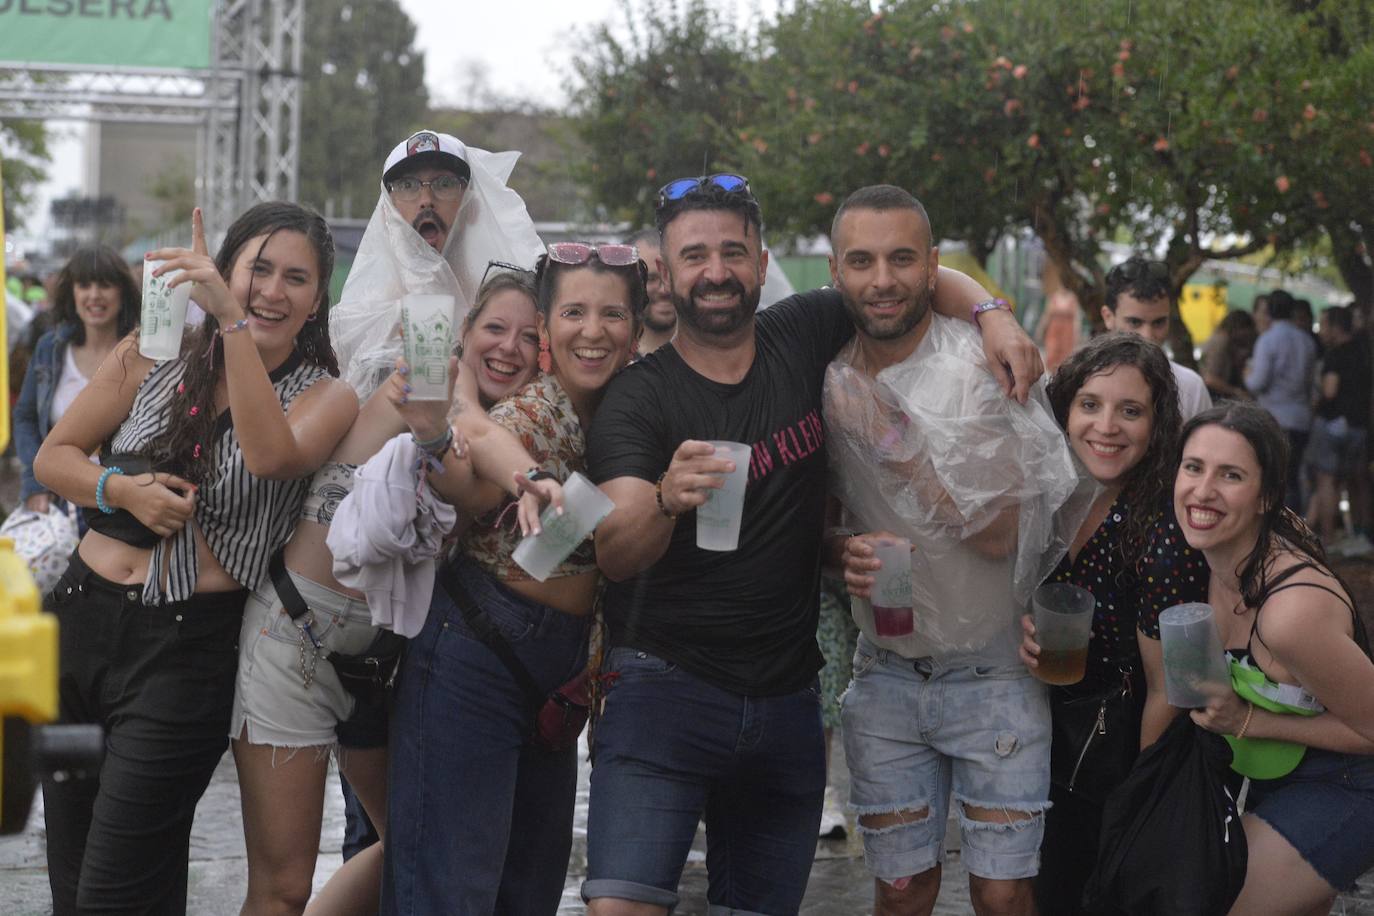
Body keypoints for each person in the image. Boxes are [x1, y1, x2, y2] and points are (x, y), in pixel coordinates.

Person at [582, 173, 1041, 916]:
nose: (717, 271)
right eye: (694, 256)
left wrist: (995, 317)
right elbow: (615, 551)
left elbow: (909, 280)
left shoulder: (802, 334)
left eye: (734, 251)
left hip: (785, 699)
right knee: (620, 909)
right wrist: (667, 498)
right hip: (667, 691)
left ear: (764, 265)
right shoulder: (640, 397)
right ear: (663, 275)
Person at [230, 132, 544, 916]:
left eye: (445, 183)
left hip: (410, 651)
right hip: (298, 637)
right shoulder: (363, 331)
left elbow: (486, 451)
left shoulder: (508, 325)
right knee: (284, 883)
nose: (428, 198)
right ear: (388, 203)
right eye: (410, 186)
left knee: (417, 853)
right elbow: (280, 452)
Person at [34, 203, 359, 915]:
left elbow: (271, 455)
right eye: (259, 270)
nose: (273, 290)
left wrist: (231, 326)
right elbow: (53, 456)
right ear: (227, 269)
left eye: (295, 278)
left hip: (184, 654)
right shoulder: (150, 350)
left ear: (316, 300)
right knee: (72, 873)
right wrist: (118, 488)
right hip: (80, 628)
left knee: (119, 890)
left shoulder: (327, 396)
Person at [826, 186, 1081, 916]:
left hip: (992, 675)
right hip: (885, 674)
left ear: (932, 265)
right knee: (903, 891)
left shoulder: (976, 369)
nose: (883, 280)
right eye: (863, 261)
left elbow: (1003, 533)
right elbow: (818, 518)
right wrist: (840, 549)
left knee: (1003, 895)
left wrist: (897, 446)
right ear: (836, 273)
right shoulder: (826, 365)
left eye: (903, 259)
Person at [382, 241, 647, 916]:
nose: (593, 331)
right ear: (556, 331)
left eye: (612, 315)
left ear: (637, 330)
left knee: (527, 891)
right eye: (575, 314)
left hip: (560, 676)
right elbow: (472, 484)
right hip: (476, 654)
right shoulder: (529, 411)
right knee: (449, 889)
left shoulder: (637, 410)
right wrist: (474, 452)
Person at [1019, 333, 1208, 915]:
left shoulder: (1162, 532)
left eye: (1132, 411)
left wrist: (1135, 805)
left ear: (1158, 427)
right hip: (1056, 747)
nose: (1107, 426)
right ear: (1064, 410)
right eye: (1091, 405)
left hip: (1119, 766)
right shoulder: (1053, 495)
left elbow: (1179, 687)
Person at [1170, 402, 1374, 916]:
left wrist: (1249, 721)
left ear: (1265, 497)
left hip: (1350, 783)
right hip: (1278, 779)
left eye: (1230, 475)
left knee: (1222, 903)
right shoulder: (1207, 559)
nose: (1202, 490)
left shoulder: (1290, 614)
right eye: (1193, 467)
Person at [14, 245, 140, 517]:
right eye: (84, 285)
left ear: (123, 292)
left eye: (105, 285)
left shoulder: (143, 354)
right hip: (58, 501)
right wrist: (36, 484)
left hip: (125, 505)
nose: (94, 295)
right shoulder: (50, 348)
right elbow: (25, 416)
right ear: (72, 292)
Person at [1099, 255, 1212, 421]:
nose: (1147, 335)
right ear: (1108, 317)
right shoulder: (1081, 378)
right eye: (1135, 322)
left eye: (1159, 322)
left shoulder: (1191, 387)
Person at [1304, 306, 1371, 552]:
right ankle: (1362, 534)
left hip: (1333, 425)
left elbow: (1330, 391)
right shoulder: (1364, 352)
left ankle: (1329, 538)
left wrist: (1316, 403)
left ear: (1335, 326)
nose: (1321, 331)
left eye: (1323, 325)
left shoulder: (1335, 355)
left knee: (1327, 481)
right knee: (1356, 480)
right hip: (1358, 426)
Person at [1245, 289, 1317, 511]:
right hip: (1302, 418)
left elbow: (1257, 382)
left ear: (1270, 311)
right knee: (1294, 479)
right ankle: (1297, 532)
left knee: (1274, 480)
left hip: (1275, 418)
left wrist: (1246, 373)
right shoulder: (1306, 340)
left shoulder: (1268, 340)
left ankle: (1277, 534)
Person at [625, 228, 676, 355]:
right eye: (651, 279)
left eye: (671, 276)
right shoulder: (614, 364)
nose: (664, 290)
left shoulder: (711, 357)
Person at [1199, 309, 1257, 402]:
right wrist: (1236, 391)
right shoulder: (1221, 341)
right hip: (1214, 397)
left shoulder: (1224, 339)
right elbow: (1209, 378)